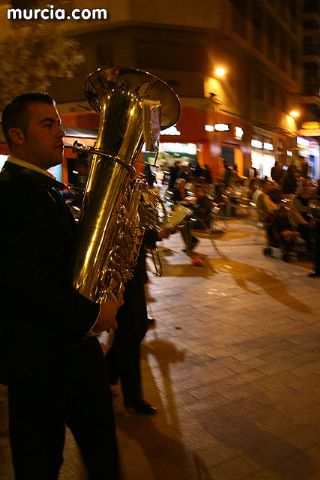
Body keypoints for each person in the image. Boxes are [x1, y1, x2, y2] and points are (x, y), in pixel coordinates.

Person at [0, 92, 122, 480]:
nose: (61, 132)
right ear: (17, 136)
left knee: (102, 457)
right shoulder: (9, 194)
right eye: (48, 124)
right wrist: (93, 315)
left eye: (59, 123)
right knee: (40, 465)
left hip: (69, 358)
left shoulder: (43, 188)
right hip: (40, 365)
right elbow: (24, 284)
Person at [105, 228, 170, 414]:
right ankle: (132, 397)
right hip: (124, 275)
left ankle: (105, 374)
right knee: (129, 334)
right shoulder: (124, 200)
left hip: (133, 273)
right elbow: (129, 231)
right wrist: (155, 234)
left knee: (137, 329)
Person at [180, 184, 212, 254]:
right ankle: (192, 243)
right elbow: (195, 211)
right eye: (195, 191)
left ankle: (191, 244)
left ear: (202, 192)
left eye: (198, 191)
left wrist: (190, 216)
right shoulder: (199, 200)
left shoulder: (205, 201)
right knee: (182, 225)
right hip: (198, 221)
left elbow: (201, 215)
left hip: (203, 223)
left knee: (185, 226)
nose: (196, 192)